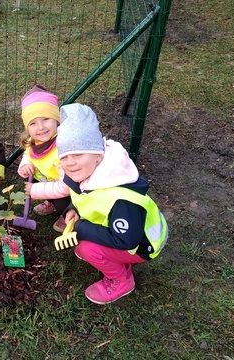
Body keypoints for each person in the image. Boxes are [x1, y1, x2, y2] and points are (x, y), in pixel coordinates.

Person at [56, 103, 168, 305]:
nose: (70, 162)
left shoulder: (121, 197)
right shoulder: (86, 174)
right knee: (85, 246)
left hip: (141, 244)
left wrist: (81, 228)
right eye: (64, 156)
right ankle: (113, 259)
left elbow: (126, 241)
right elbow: (86, 200)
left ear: (98, 155)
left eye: (78, 154)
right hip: (123, 233)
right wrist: (73, 209)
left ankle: (121, 280)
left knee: (89, 249)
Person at [17, 84, 70, 232]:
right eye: (33, 123)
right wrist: (25, 165)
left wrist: (36, 190)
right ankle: (52, 201)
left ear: (56, 120)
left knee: (63, 201)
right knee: (31, 175)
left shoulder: (63, 146)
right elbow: (28, 154)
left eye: (46, 119)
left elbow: (66, 187)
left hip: (69, 188)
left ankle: (69, 214)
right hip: (49, 180)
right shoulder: (33, 141)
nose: (40, 127)